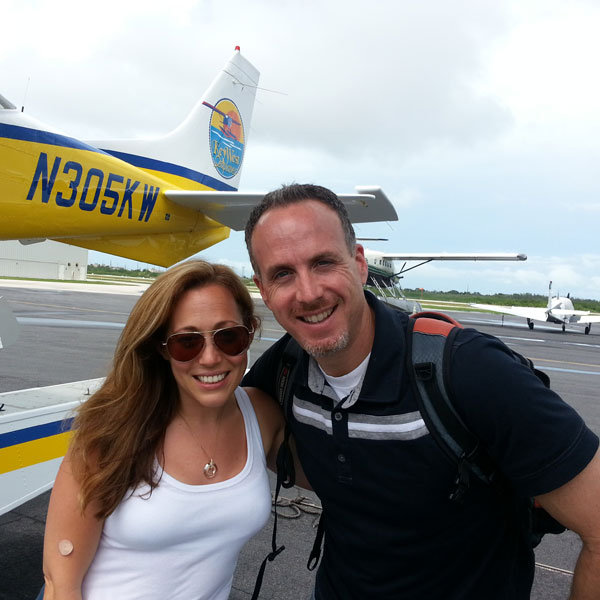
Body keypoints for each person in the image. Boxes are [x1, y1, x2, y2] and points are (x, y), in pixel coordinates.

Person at [242, 183, 600, 599]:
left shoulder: (471, 370)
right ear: (263, 289)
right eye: (283, 273)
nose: (307, 292)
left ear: (359, 265)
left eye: (323, 263)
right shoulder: (285, 369)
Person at [39, 260, 286, 600]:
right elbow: (60, 583)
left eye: (229, 337)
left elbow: (332, 474)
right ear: (161, 347)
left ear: (250, 333)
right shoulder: (112, 430)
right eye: (188, 342)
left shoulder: (261, 415)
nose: (211, 358)